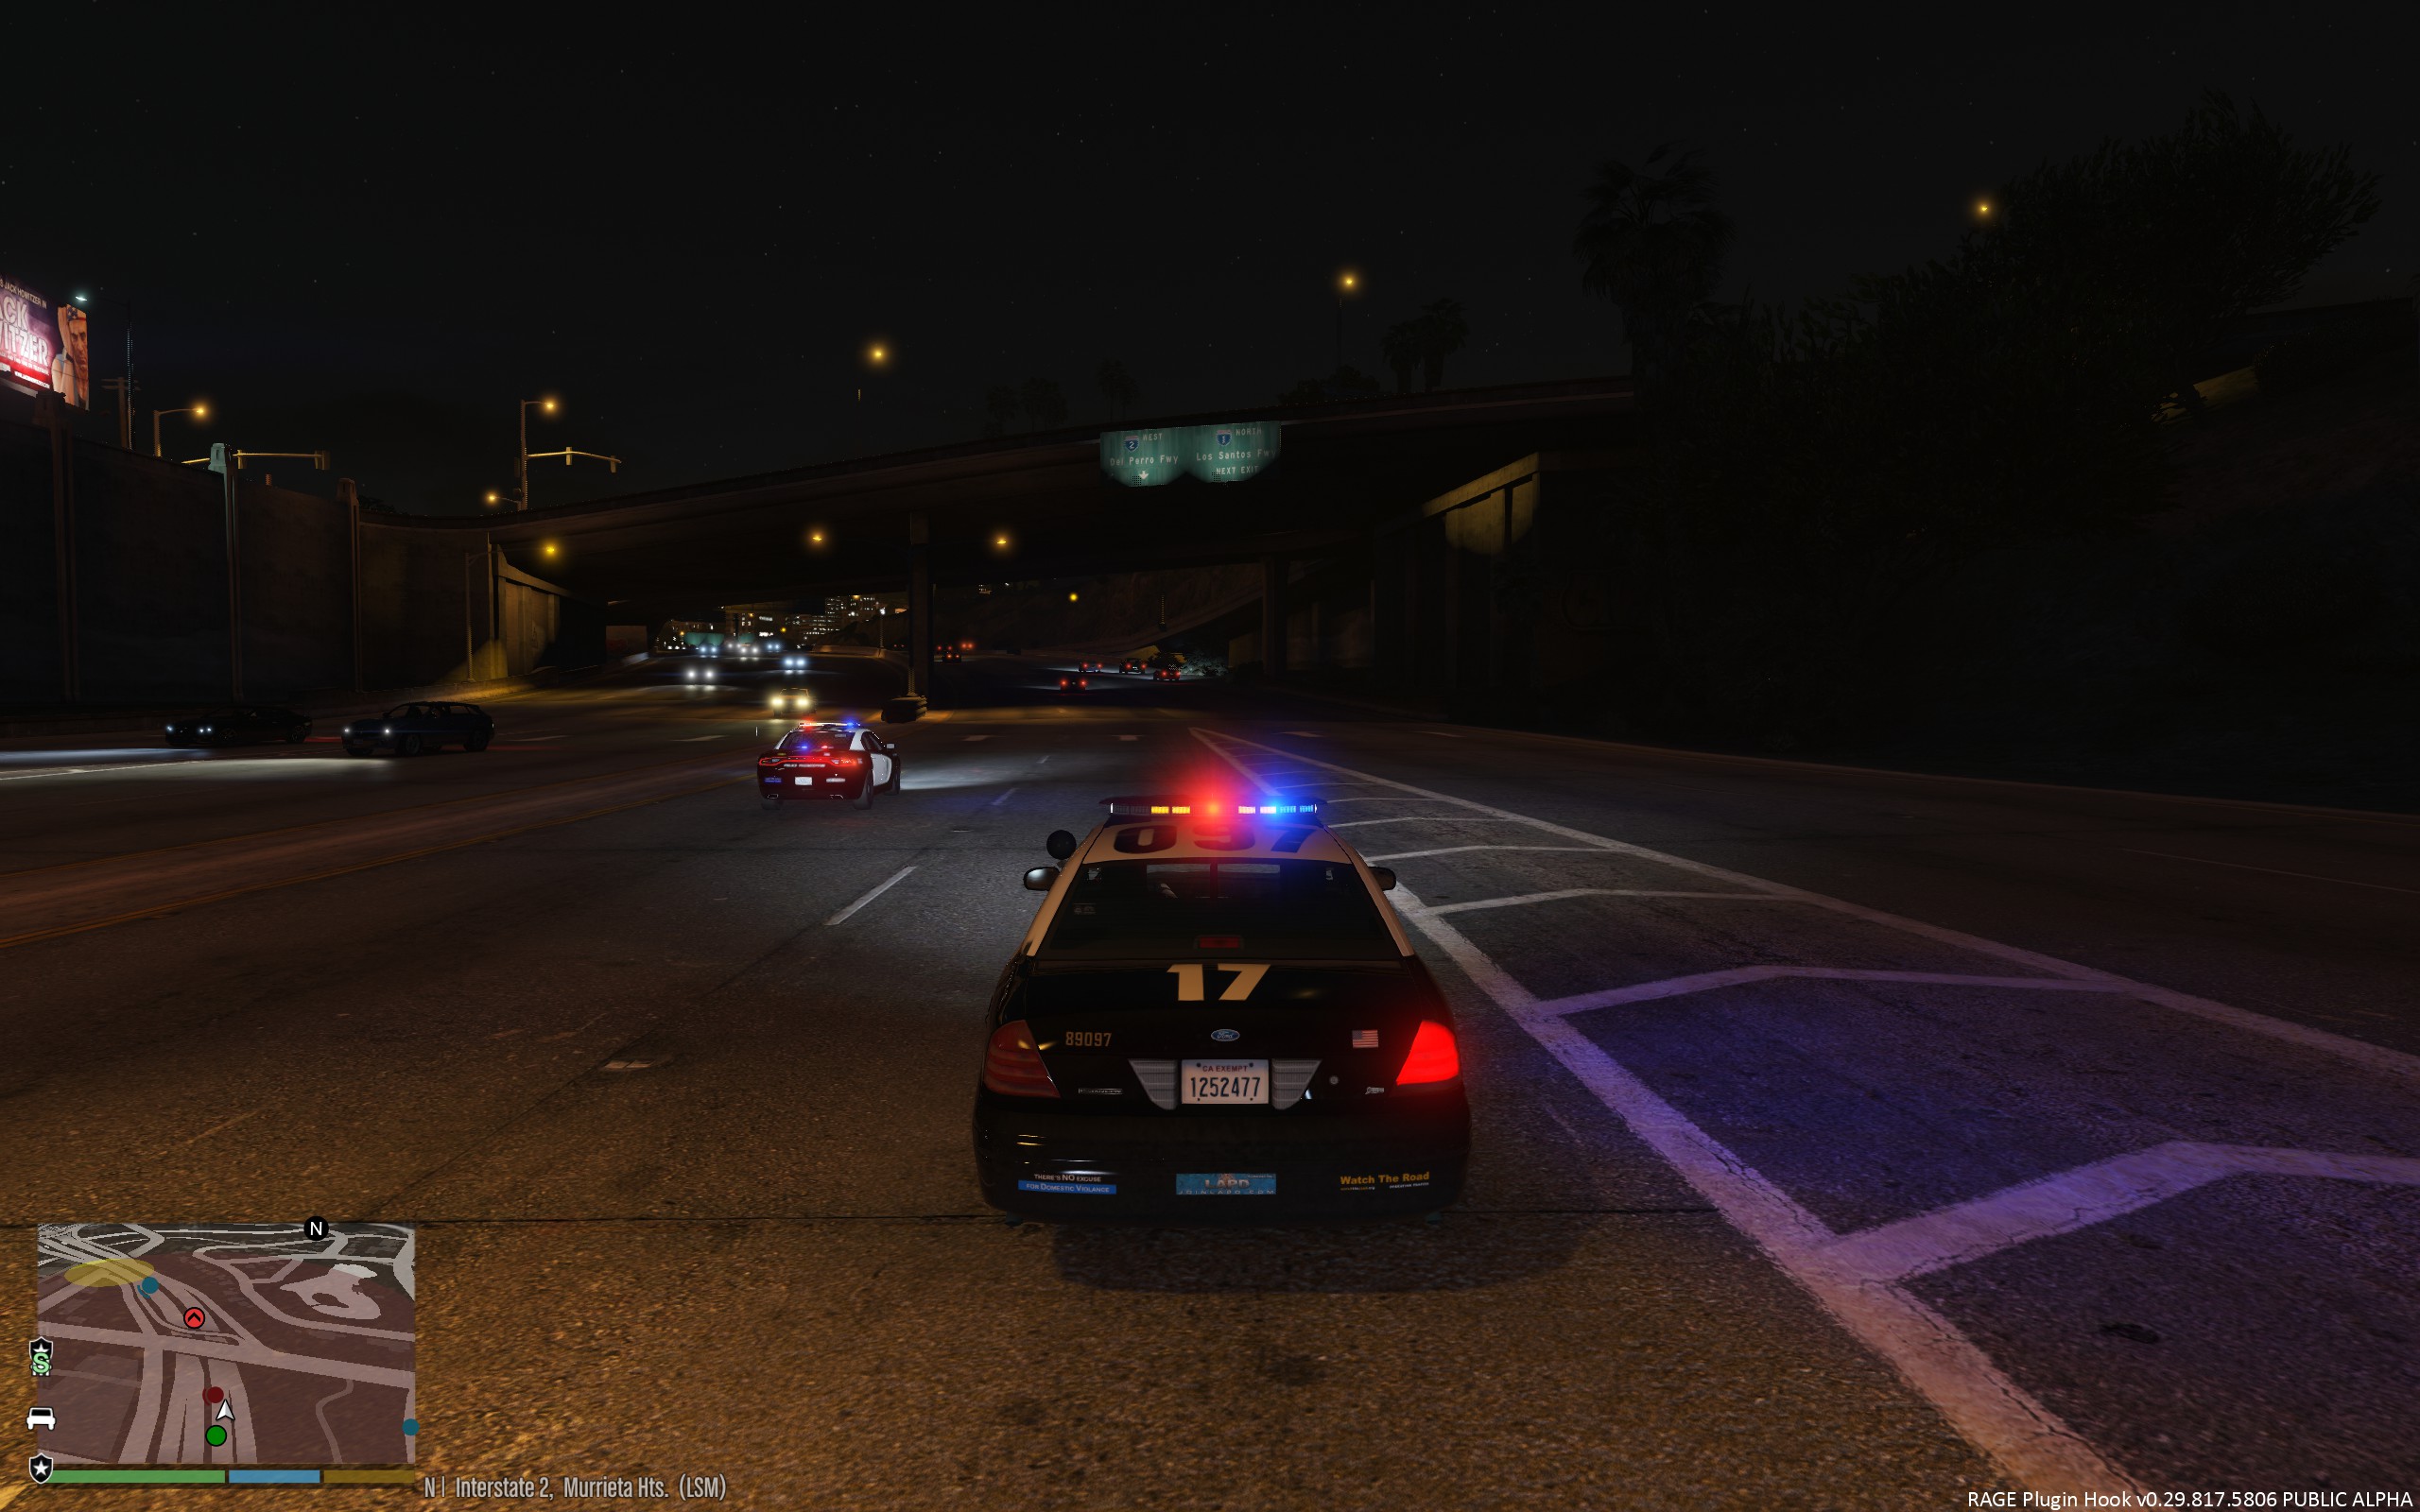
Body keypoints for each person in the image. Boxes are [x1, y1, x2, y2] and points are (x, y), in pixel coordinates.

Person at [50, 304, 89, 408]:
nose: (79, 347)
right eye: (74, 337)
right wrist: (69, 357)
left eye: (83, 337)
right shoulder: (59, 363)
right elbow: (65, 407)